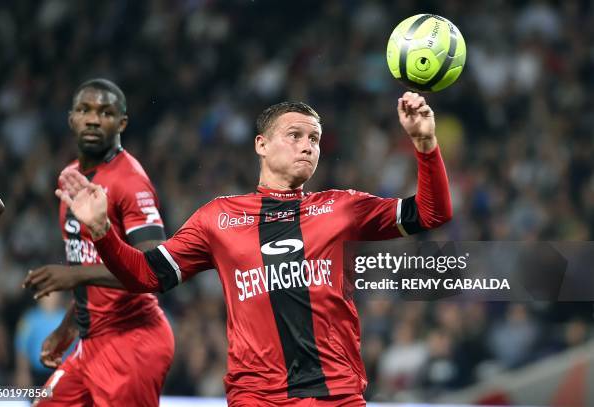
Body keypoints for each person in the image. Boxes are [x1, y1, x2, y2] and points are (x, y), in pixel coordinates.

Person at [57, 92, 452, 406]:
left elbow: (431, 214)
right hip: (256, 398)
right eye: (294, 136)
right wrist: (104, 233)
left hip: (335, 394)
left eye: (314, 139)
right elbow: (146, 275)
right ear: (261, 145)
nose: (307, 146)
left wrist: (425, 145)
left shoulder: (341, 206)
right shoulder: (217, 218)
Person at [23, 79, 174, 406]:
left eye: (105, 112)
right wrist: (69, 325)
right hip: (91, 343)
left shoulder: (130, 181)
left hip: (132, 342)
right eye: (85, 110)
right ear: (71, 118)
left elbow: (154, 270)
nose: (93, 119)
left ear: (121, 123)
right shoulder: (71, 179)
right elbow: (87, 260)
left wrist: (74, 277)